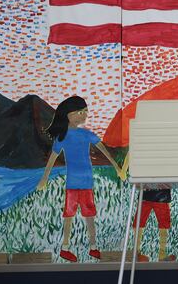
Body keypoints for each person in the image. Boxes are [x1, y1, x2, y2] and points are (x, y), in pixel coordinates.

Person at [37, 96, 124, 262]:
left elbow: (104, 151)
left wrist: (117, 167)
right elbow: (52, 159)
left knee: (89, 215)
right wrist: (44, 178)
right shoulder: (62, 137)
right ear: (69, 115)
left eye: (86, 112)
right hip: (72, 184)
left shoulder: (87, 134)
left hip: (86, 183)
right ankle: (65, 247)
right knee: (69, 215)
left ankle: (93, 247)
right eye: (81, 112)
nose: (85, 115)